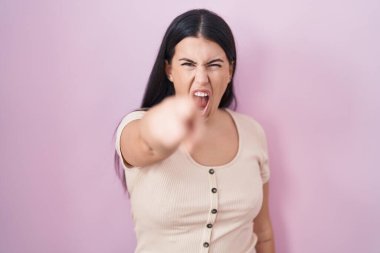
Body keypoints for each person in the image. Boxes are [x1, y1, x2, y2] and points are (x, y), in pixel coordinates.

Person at [114, 9, 275, 253]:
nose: (201, 79)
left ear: (229, 71)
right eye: (188, 64)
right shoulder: (134, 126)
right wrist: (171, 124)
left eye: (214, 65)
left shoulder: (253, 132)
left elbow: (263, 234)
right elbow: (146, 144)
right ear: (169, 70)